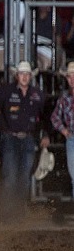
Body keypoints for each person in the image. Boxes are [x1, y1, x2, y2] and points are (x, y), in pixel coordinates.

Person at [0, 60, 50, 217]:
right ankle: (9, 214)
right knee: (10, 176)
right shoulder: (7, 91)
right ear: (17, 76)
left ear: (30, 76)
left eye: (27, 74)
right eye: (22, 74)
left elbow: (46, 116)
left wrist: (46, 134)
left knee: (24, 178)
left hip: (28, 139)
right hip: (10, 138)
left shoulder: (37, 94)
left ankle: (19, 213)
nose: (25, 77)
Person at [51, 61, 74, 198]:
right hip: (72, 139)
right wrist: (64, 131)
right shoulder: (64, 98)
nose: (72, 80)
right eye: (70, 76)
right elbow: (55, 117)